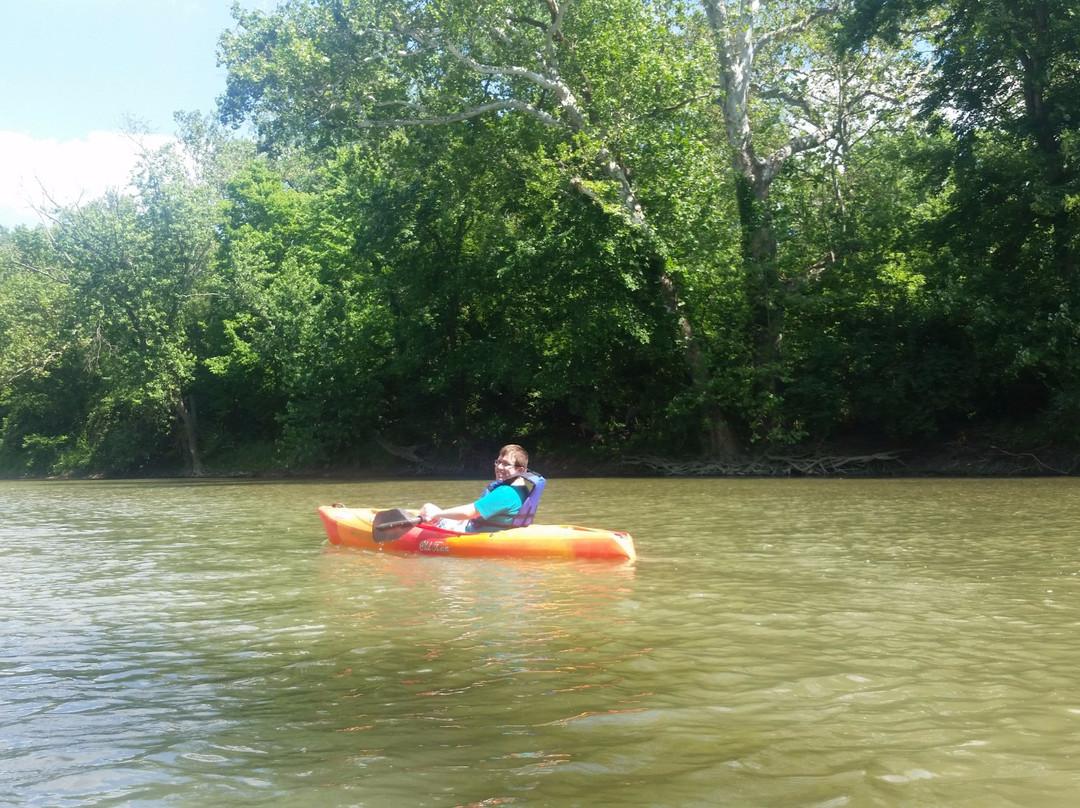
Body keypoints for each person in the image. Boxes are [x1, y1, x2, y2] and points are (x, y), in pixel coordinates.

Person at [419, 444, 541, 532]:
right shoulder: (523, 489)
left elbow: (468, 513)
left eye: (506, 464)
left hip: (472, 532)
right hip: (494, 527)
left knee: (428, 507)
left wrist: (437, 514)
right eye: (498, 462)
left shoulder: (505, 493)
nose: (499, 467)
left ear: (520, 470)